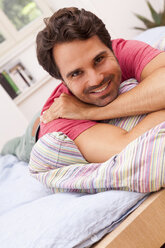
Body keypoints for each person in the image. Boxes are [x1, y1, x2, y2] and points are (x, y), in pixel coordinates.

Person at [35, 7, 165, 163]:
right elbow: (127, 148)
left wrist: (88, 112)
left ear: (111, 48)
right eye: (76, 73)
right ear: (62, 80)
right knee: (20, 140)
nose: (95, 79)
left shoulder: (121, 50)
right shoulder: (58, 124)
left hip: (80, 104)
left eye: (98, 60)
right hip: (37, 129)